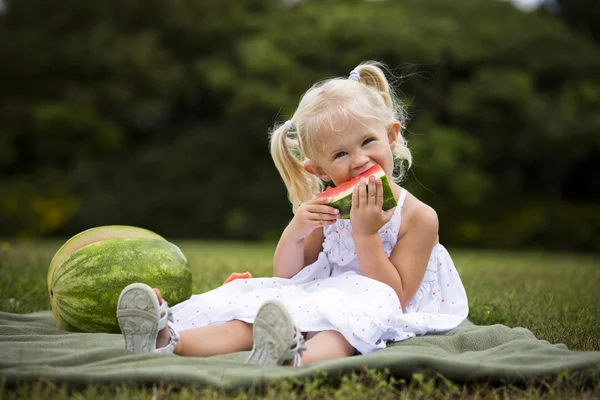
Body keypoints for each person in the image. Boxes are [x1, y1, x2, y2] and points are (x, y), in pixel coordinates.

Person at [116, 61, 469, 367]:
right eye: (341, 154)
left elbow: (395, 297)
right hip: (322, 294)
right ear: (320, 171)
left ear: (391, 136)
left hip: (375, 308)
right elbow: (290, 275)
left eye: (367, 142)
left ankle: (294, 356)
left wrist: (366, 235)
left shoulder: (418, 217)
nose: (359, 159)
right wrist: (297, 229)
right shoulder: (326, 209)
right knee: (250, 316)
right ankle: (165, 339)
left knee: (342, 329)